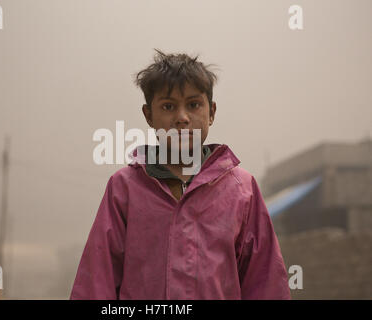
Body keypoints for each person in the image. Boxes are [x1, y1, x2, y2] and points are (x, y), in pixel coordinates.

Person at [70, 49, 291, 300]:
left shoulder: (243, 189)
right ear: (148, 115)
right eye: (168, 106)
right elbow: (97, 280)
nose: (182, 118)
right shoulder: (124, 188)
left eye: (194, 105)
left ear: (212, 112)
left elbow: (266, 282)